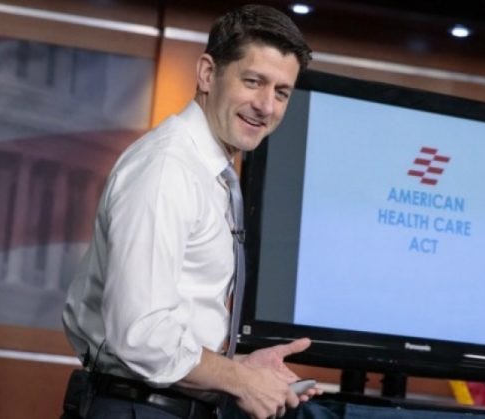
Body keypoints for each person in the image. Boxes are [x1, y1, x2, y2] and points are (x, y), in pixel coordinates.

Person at [61, 4, 317, 419]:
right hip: (135, 409)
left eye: (281, 92)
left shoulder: (208, 168)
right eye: (253, 82)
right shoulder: (167, 168)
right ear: (207, 74)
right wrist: (239, 380)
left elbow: (175, 321)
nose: (266, 106)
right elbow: (140, 333)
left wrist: (237, 368)